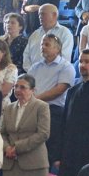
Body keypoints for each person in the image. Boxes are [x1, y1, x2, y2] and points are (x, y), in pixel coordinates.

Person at [0, 74, 51, 176]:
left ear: (33, 90)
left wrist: (16, 147)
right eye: (16, 86)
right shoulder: (9, 108)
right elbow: (2, 133)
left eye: (23, 87)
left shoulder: (41, 107)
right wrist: (6, 148)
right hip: (11, 164)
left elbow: (43, 133)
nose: (17, 90)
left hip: (34, 164)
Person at [28, 33, 74, 166]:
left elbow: (60, 90)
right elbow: (27, 86)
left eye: (47, 44)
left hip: (53, 110)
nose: (42, 47)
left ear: (58, 48)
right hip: (33, 109)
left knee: (49, 150)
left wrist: (35, 99)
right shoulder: (35, 67)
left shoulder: (66, 67)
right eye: (42, 44)